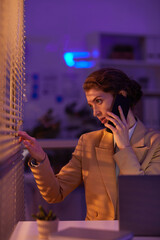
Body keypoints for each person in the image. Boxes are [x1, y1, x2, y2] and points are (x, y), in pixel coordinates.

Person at [18, 68, 160, 220]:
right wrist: (40, 159)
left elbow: (146, 197)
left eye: (99, 101)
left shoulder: (155, 143)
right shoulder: (89, 142)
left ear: (122, 97)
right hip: (98, 234)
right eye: (92, 105)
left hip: (139, 234)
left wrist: (124, 147)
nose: (95, 113)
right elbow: (55, 193)